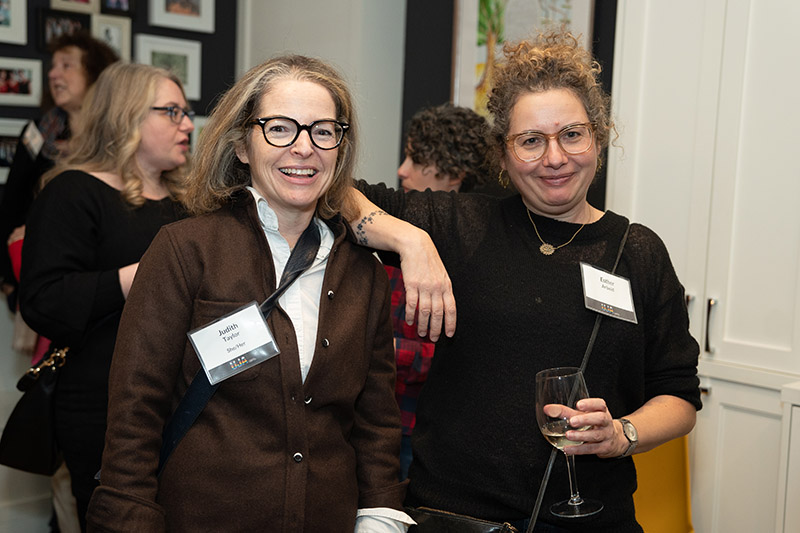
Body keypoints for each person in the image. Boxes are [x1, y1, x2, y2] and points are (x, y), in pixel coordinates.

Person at [350, 32, 701, 532]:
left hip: (590, 521)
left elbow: (679, 396)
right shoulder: (460, 225)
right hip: (457, 519)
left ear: (598, 138)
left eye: (572, 134)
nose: (554, 157)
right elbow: (334, 190)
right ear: (503, 154)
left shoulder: (639, 252)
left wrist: (621, 434)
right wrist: (411, 240)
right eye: (531, 140)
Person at [85, 55, 412, 532]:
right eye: (279, 129)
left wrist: (380, 517)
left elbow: (376, 421)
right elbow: (136, 409)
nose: (304, 148)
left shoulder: (364, 272)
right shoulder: (185, 250)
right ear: (241, 145)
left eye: (323, 131)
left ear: (340, 148)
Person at [19, 62, 194, 531]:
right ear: (127, 115)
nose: (188, 124)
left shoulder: (190, 201)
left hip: (186, 402)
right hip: (104, 407)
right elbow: (43, 299)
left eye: (186, 112)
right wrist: (141, 276)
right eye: (172, 111)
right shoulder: (73, 193)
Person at [390, 103, 511, 480]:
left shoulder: (478, 254)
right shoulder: (395, 233)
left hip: (428, 431)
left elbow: (464, 354)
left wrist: (378, 351)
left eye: (416, 160)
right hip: (383, 422)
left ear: (454, 175)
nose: (402, 170)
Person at [0, 31, 118, 312]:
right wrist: (8, 278)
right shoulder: (38, 132)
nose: (53, 74)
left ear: (94, 74)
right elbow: (13, 202)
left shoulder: (117, 136)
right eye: (53, 66)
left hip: (101, 276)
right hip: (39, 274)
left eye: (66, 65)